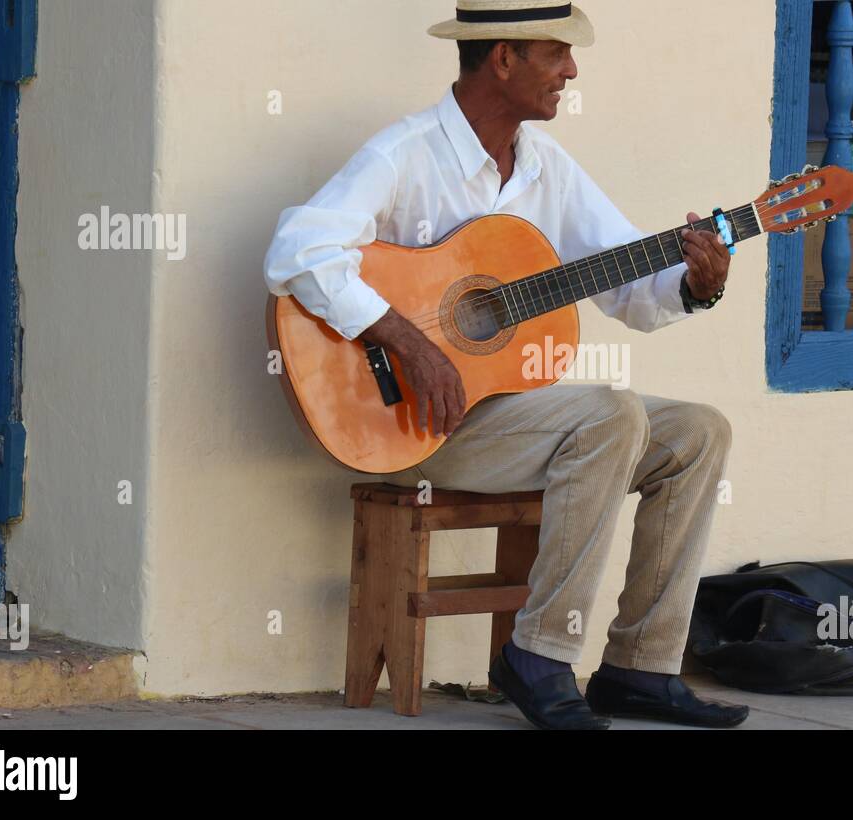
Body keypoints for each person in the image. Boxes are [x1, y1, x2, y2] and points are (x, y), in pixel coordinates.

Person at [264, 1, 748, 730]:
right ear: (503, 59)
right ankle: (540, 654)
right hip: (407, 425)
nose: (571, 71)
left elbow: (629, 286)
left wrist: (695, 284)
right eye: (557, 54)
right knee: (610, 413)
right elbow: (296, 251)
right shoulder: (406, 154)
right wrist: (410, 342)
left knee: (699, 432)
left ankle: (639, 668)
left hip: (505, 420)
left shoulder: (549, 170)